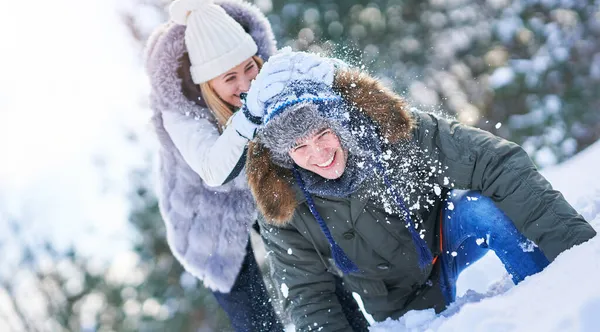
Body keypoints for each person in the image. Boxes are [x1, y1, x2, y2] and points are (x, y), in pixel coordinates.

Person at [244, 52, 597, 331]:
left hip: (443, 238)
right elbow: (309, 295)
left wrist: (581, 255)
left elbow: (496, 162)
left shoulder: (394, 135)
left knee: (482, 210)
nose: (318, 154)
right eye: (299, 147)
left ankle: (553, 300)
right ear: (283, 155)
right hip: (398, 301)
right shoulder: (283, 204)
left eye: (323, 134)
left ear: (342, 121)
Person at [144, 0, 368, 331]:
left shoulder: (268, 75)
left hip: (258, 184)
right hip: (205, 213)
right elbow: (213, 170)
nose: (246, 83)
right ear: (207, 85)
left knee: (312, 269)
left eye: (249, 68)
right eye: (230, 78)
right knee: (253, 315)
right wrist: (251, 113)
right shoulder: (179, 110)